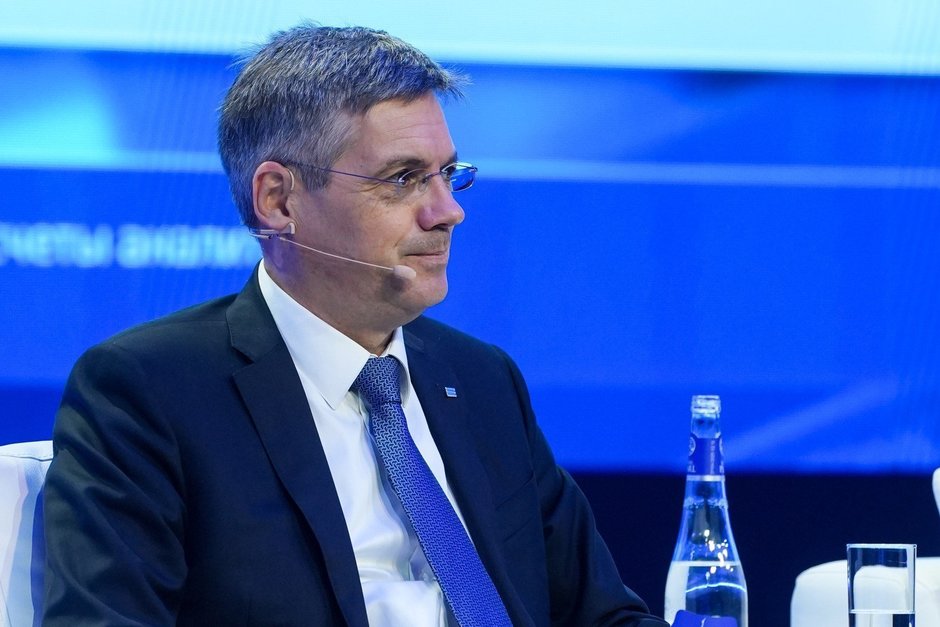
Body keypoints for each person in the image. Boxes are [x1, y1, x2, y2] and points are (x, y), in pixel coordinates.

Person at [42, 23, 669, 627]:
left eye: (448, 175)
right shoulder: (151, 391)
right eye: (403, 179)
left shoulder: (483, 380)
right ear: (278, 200)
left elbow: (601, 615)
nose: (448, 211)